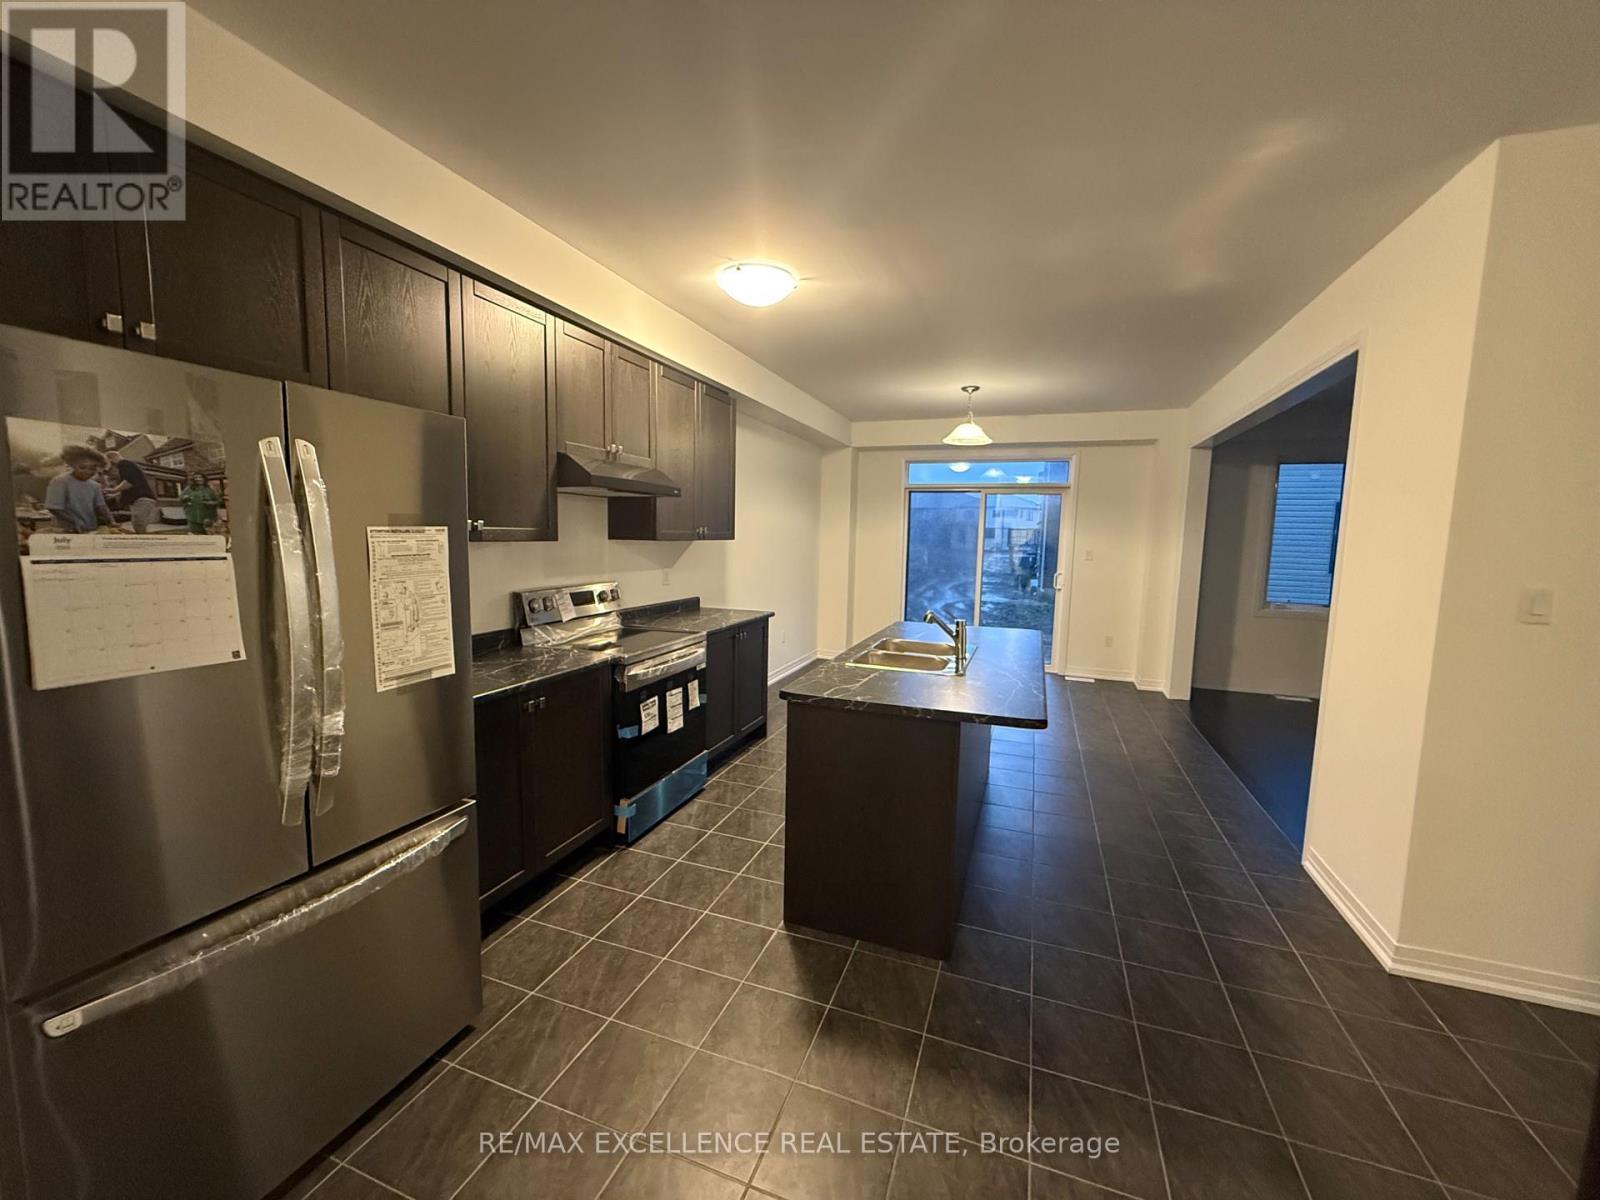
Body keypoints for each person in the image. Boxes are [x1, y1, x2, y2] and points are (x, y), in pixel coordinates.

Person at [44, 445, 117, 533]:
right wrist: (75, 521)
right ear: (72, 465)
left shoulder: (95, 486)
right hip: (65, 530)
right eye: (82, 467)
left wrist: (111, 521)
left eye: (93, 468)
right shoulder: (60, 481)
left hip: (90, 528)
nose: (88, 471)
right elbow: (54, 508)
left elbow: (101, 506)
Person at [104, 450, 163, 533]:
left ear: (110, 459)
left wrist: (114, 490)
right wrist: (114, 495)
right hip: (141, 500)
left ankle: (143, 543)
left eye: (107, 462)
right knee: (138, 524)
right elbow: (130, 487)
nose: (108, 466)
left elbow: (129, 482)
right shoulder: (128, 466)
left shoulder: (123, 464)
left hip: (142, 500)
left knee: (138, 524)